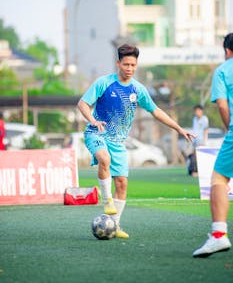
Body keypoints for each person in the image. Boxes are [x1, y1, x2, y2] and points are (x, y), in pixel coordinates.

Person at [77, 44, 195, 239]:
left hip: (118, 142)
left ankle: (114, 225)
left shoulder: (138, 89)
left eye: (133, 64)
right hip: (96, 133)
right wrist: (93, 120)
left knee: (122, 183)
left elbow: (156, 111)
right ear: (118, 63)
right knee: (103, 158)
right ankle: (107, 201)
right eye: (126, 64)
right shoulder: (103, 83)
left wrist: (179, 128)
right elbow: (82, 104)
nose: (130, 68)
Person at [193, 33, 233, 257]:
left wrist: (229, 128)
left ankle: (218, 235)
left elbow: (222, 106)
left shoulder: (224, 70)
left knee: (218, 179)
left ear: (226, 50)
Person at [187, 105, 209, 176]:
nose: (196, 112)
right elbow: (194, 130)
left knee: (199, 157)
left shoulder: (204, 119)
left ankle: (197, 171)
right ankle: (193, 170)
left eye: (198, 111)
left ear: (201, 111)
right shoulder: (194, 119)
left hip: (201, 141)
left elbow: (206, 130)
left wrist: (204, 141)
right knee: (194, 156)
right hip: (195, 141)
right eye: (195, 111)